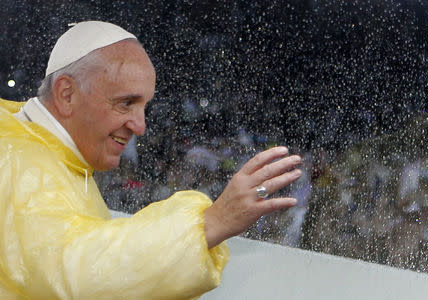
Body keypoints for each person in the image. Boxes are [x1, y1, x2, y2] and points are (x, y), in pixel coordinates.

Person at [0, 21, 302, 299]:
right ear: (67, 94)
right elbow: (74, 272)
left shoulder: (43, 150)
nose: (140, 126)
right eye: (126, 103)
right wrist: (211, 222)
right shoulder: (22, 160)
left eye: (144, 106)